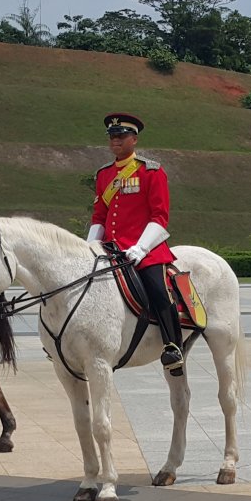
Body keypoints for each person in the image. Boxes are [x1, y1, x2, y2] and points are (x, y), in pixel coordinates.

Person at [88, 113, 185, 376]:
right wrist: (87, 248)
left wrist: (141, 249)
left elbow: (159, 217)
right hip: (110, 249)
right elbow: (99, 216)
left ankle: (172, 346)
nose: (115, 140)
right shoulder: (104, 174)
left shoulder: (151, 171)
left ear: (134, 139)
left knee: (157, 289)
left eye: (120, 136)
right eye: (112, 136)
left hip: (145, 250)